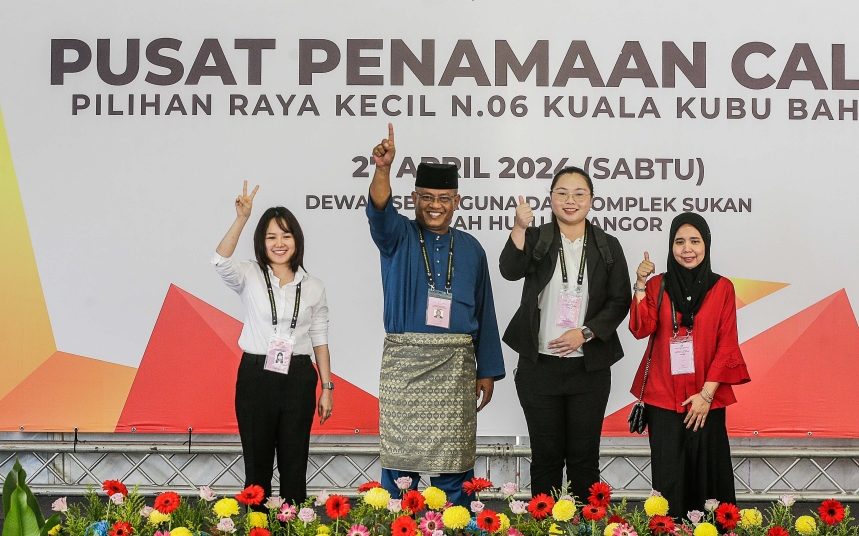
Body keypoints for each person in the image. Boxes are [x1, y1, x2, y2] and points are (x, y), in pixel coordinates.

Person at [366, 124, 505, 507]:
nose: (435, 205)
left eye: (444, 198)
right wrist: (382, 169)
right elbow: (379, 208)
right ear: (414, 198)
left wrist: (486, 369)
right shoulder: (397, 237)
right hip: (405, 368)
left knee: (454, 468)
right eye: (426, 197)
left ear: (456, 201)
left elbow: (485, 310)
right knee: (399, 469)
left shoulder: (472, 248)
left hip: (455, 369)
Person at [499, 167, 631, 497]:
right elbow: (509, 270)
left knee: (584, 460)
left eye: (578, 194)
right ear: (551, 198)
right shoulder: (537, 238)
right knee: (545, 459)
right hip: (539, 367)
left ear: (591, 200)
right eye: (562, 193)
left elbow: (620, 301)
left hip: (588, 370)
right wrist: (519, 227)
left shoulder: (608, 246)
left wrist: (585, 333)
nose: (570, 200)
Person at [213, 182, 333, 505]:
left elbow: (319, 337)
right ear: (261, 243)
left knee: (295, 470)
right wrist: (241, 218)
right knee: (257, 471)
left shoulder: (314, 286)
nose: (279, 244)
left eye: (286, 236)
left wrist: (327, 387)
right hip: (256, 376)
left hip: (298, 377)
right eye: (271, 237)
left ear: (297, 240)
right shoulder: (248, 275)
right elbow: (220, 260)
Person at [629, 212, 750, 517]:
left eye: (695, 241)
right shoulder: (658, 285)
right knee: (669, 482)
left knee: (709, 479)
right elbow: (641, 328)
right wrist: (640, 285)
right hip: (664, 400)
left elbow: (727, 345)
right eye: (679, 241)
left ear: (706, 244)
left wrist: (706, 396)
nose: (687, 249)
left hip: (707, 398)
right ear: (670, 246)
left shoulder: (722, 288)